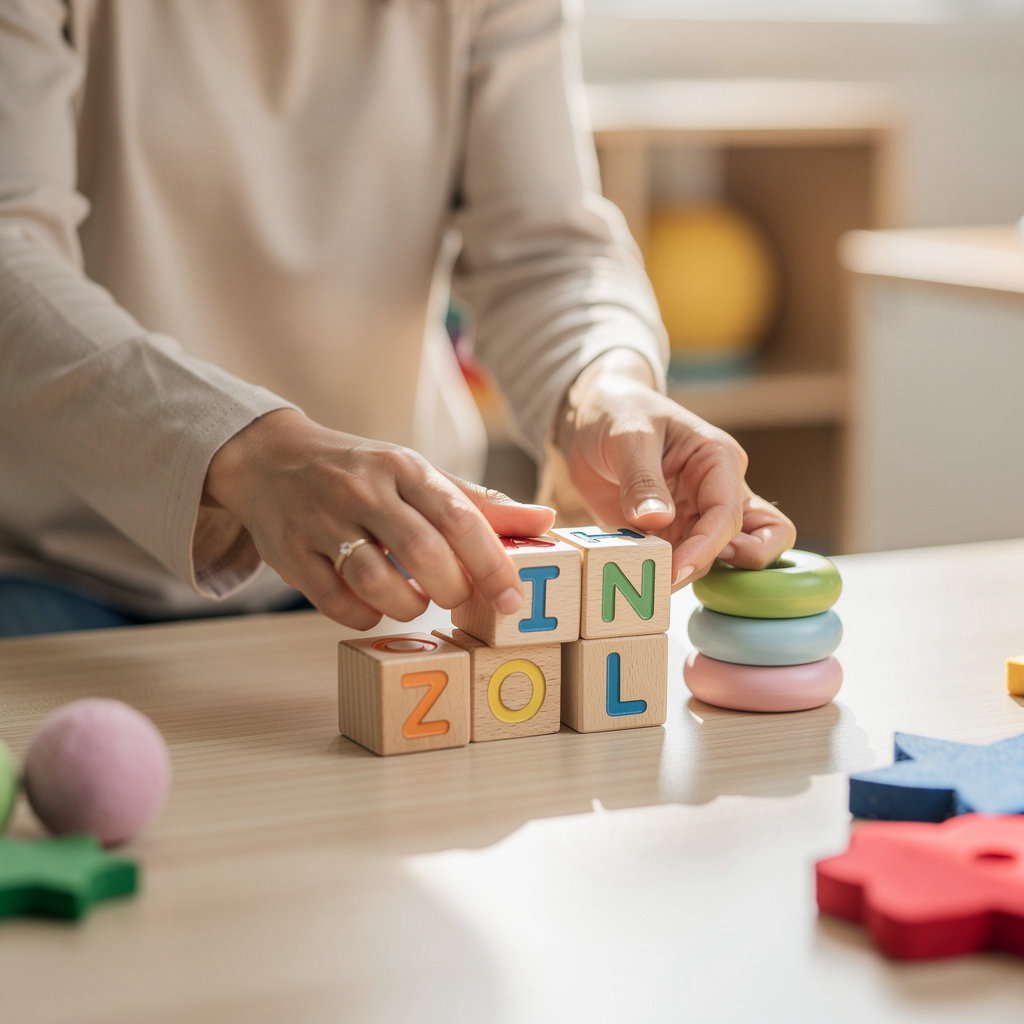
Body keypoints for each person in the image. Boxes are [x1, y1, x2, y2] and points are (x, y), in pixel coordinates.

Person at [0, 0, 795, 639]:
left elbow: (543, 249)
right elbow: (10, 251)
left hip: (401, 567)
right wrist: (246, 455)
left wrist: (605, 387)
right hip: (61, 565)